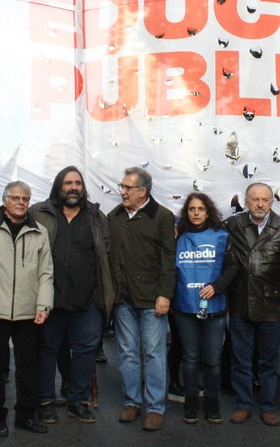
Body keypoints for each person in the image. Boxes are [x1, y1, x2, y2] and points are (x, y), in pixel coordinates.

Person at [30, 166, 114, 425]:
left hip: (87, 299)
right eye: (68, 183)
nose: (73, 187)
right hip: (50, 299)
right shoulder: (40, 213)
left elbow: (106, 254)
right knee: (46, 350)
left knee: (85, 352)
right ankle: (45, 401)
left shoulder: (96, 216)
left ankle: (78, 401)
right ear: (59, 186)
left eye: (78, 183)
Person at [218, 182, 280, 427]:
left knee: (269, 360)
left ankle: (268, 406)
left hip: (272, 304)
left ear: (271, 202)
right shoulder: (233, 225)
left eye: (265, 199)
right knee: (240, 359)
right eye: (255, 199)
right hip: (240, 302)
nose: (260, 204)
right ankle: (243, 404)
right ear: (247, 201)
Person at [0, 181, 53, 437]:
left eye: (26, 198)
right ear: (4, 201)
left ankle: (25, 416)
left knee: (27, 367)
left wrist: (43, 305)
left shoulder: (39, 231)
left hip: (28, 312)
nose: (21, 202)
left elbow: (46, 273)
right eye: (15, 198)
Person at [108, 167, 176, 432]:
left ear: (142, 191)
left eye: (127, 187)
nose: (122, 191)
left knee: (154, 354)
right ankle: (132, 402)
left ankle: (155, 408)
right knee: (126, 354)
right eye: (122, 186)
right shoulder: (114, 217)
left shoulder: (163, 217)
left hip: (152, 300)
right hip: (123, 299)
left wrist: (165, 294)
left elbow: (169, 258)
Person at [171, 193, 229, 425]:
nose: (196, 213)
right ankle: (191, 402)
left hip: (214, 308)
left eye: (201, 209)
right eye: (192, 209)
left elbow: (232, 268)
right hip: (184, 307)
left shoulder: (222, 236)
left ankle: (213, 403)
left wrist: (217, 286)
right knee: (191, 358)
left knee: (213, 360)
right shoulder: (176, 237)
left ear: (208, 211)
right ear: (186, 212)